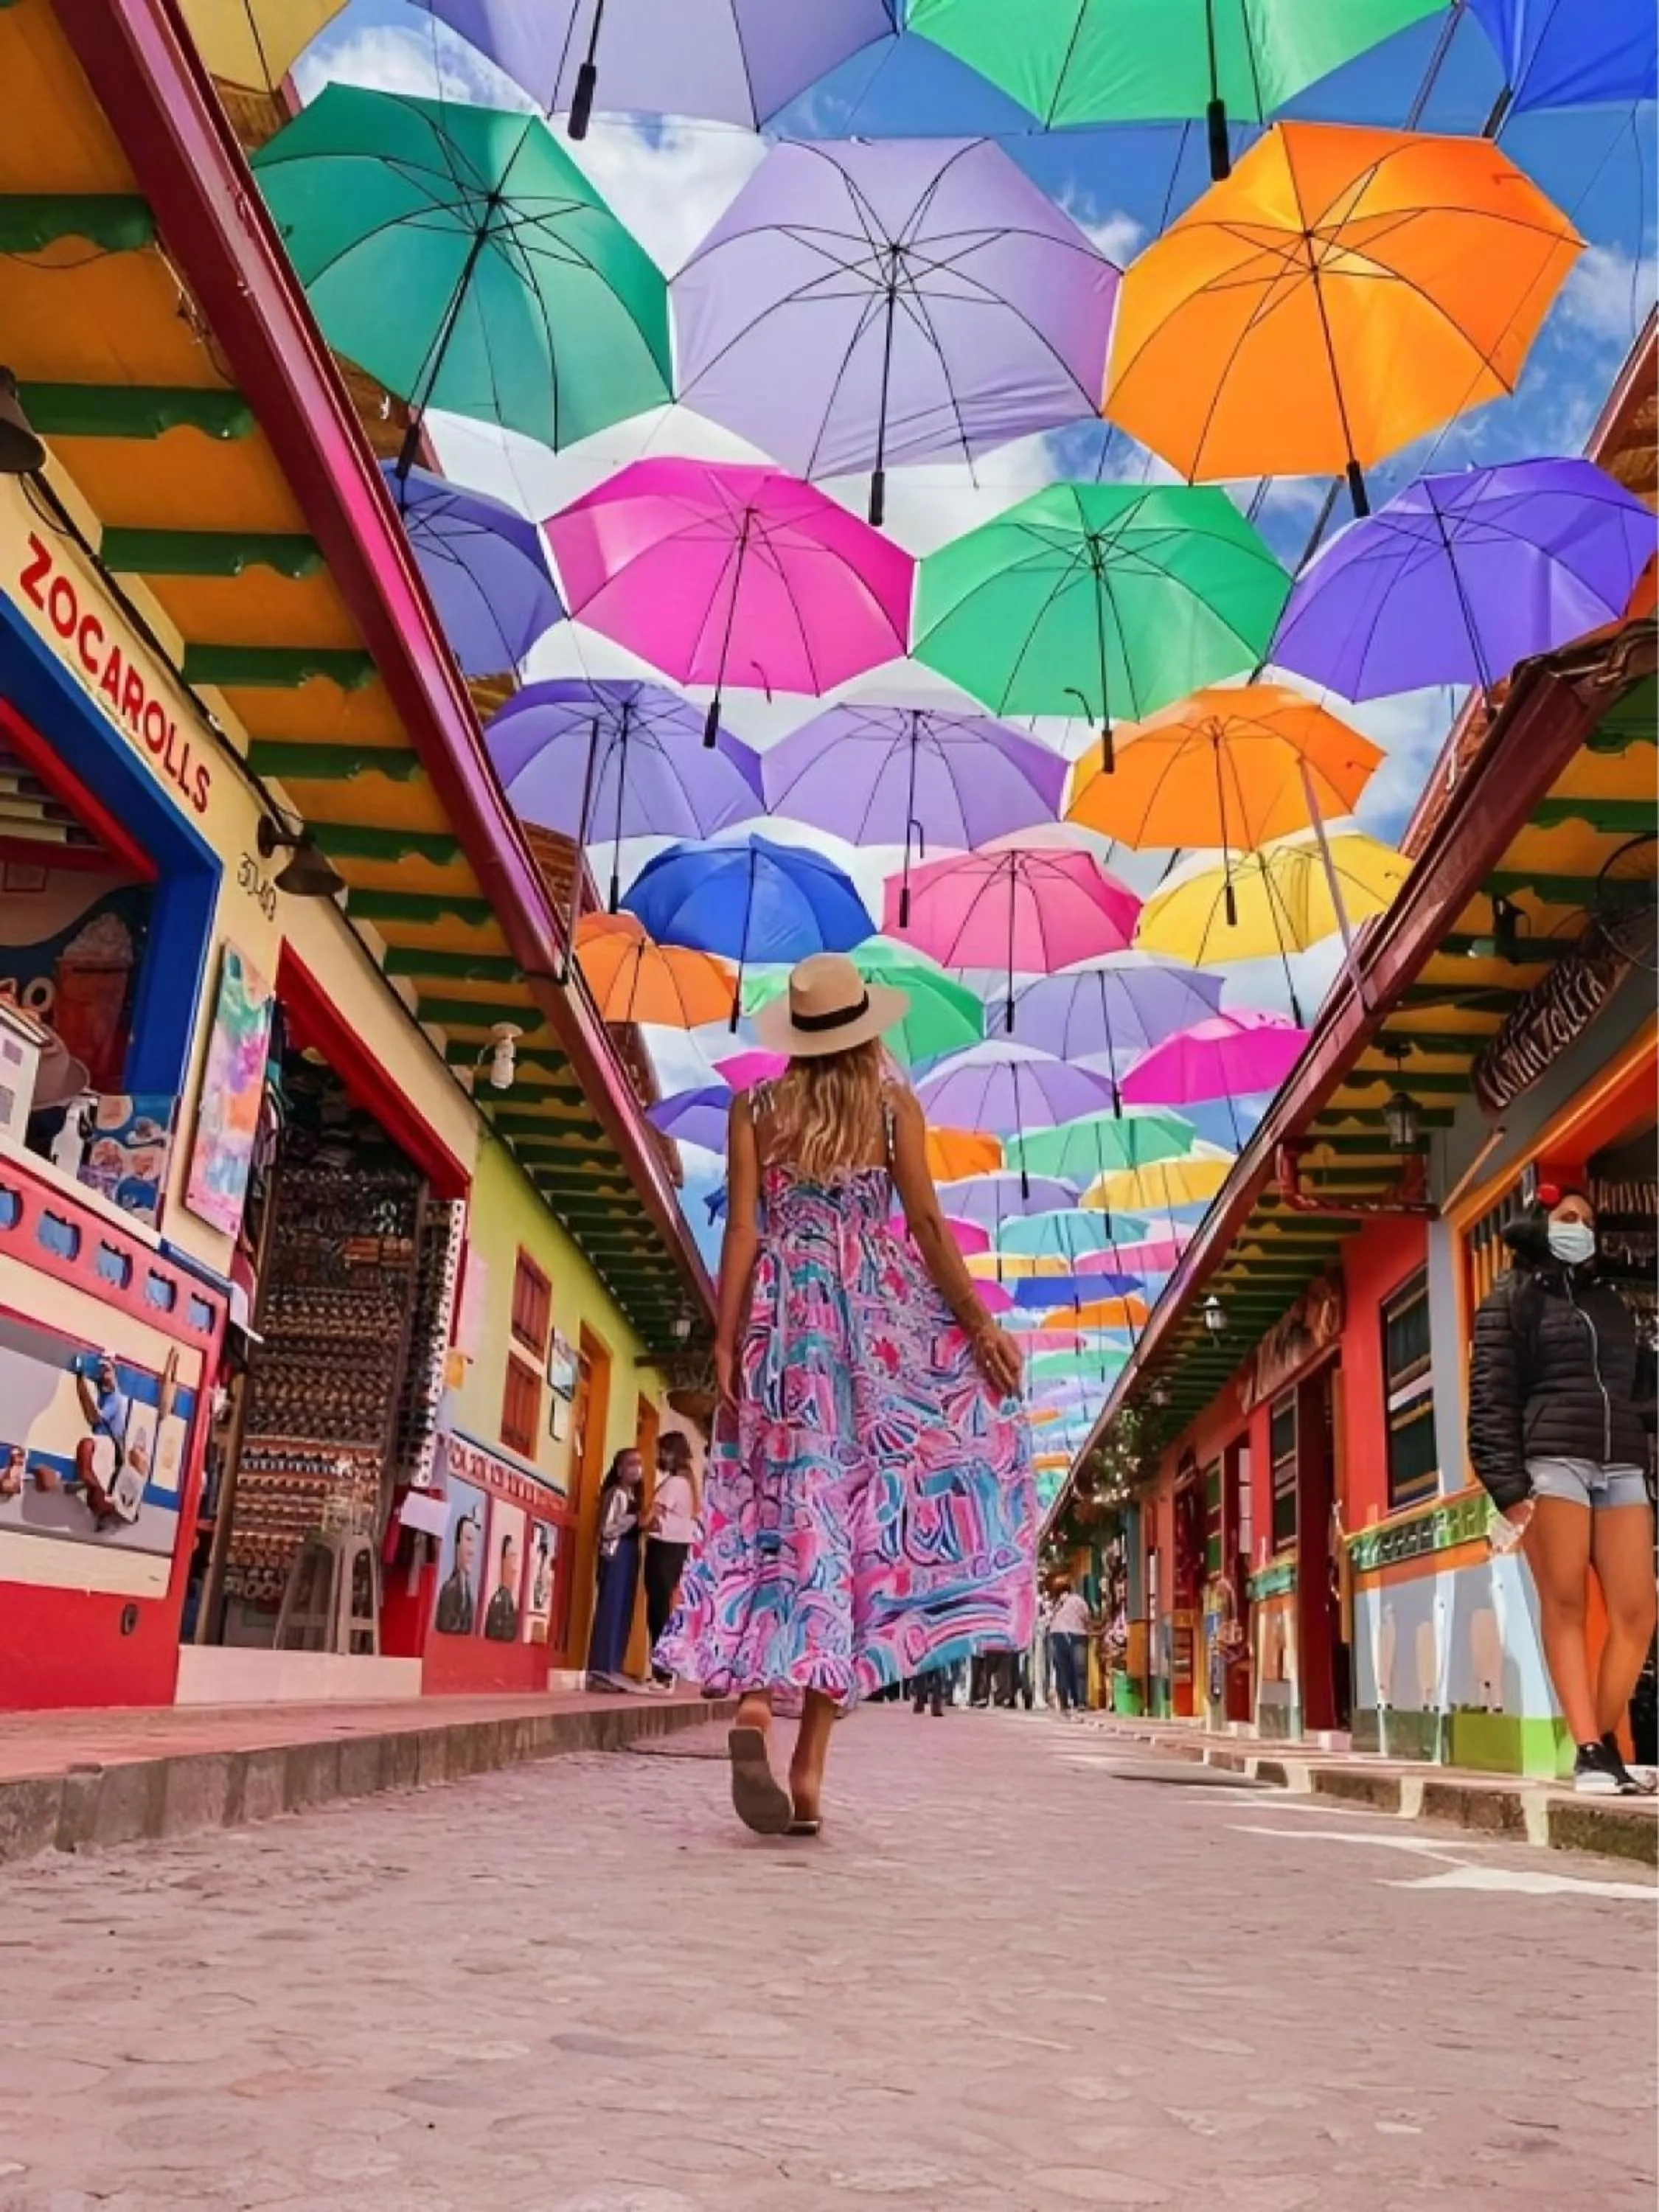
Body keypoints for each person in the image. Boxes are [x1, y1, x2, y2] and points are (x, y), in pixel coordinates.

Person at [656, 953, 1033, 1837]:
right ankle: (812, 1771)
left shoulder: (757, 1109)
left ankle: (755, 1700)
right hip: (870, 1329)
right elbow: (930, 1228)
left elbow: (744, 1229)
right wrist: (977, 1327)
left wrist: (725, 1334)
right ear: (864, 1031)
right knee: (854, 1526)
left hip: (784, 1327)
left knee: (776, 1515)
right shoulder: (892, 1107)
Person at [1469, 1182, 1657, 1796]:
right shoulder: (1511, 1300)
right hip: (1551, 1464)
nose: (1579, 1227)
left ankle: (1598, 1747)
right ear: (1540, 1224)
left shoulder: (1609, 1304)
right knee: (1567, 1605)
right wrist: (1508, 1486)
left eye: (1587, 1220)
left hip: (1621, 1462)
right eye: (1567, 1217)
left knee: (1637, 1610)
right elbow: (1492, 1400)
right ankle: (1589, 1750)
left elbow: (1637, 1385)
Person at [644, 1432, 700, 1683]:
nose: (659, 1457)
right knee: (663, 1607)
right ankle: (664, 1669)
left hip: (664, 1549)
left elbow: (651, 1515)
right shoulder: (687, 1483)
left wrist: (639, 1522)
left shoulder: (675, 1483)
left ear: (671, 1453)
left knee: (657, 1610)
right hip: (677, 1550)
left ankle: (661, 1671)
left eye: (662, 1451)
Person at [586, 1450, 644, 1690]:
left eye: (639, 1464)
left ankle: (614, 1666)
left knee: (624, 1612)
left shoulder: (634, 1496)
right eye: (631, 1464)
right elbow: (607, 1530)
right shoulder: (616, 1494)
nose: (637, 1468)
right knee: (610, 1610)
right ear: (619, 1469)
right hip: (616, 1556)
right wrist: (633, 1520)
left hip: (630, 1556)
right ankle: (600, 1668)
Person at [1049, 1581, 1093, 1716]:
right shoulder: (1078, 1600)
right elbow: (1087, 1617)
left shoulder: (1056, 1604)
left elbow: (1050, 1620)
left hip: (1057, 1635)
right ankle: (1080, 1702)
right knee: (1079, 1670)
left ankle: (1064, 1703)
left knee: (1063, 1670)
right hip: (1077, 1635)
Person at [435, 1512, 479, 1635]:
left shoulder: (468, 1593)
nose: (472, 1550)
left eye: (474, 1542)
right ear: (457, 1544)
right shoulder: (449, 1589)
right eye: (468, 1540)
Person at [484, 1528, 521, 1642]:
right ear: (503, 1560)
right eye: (512, 1558)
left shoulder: (511, 1601)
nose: (515, 1569)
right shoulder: (498, 1599)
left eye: (516, 1559)